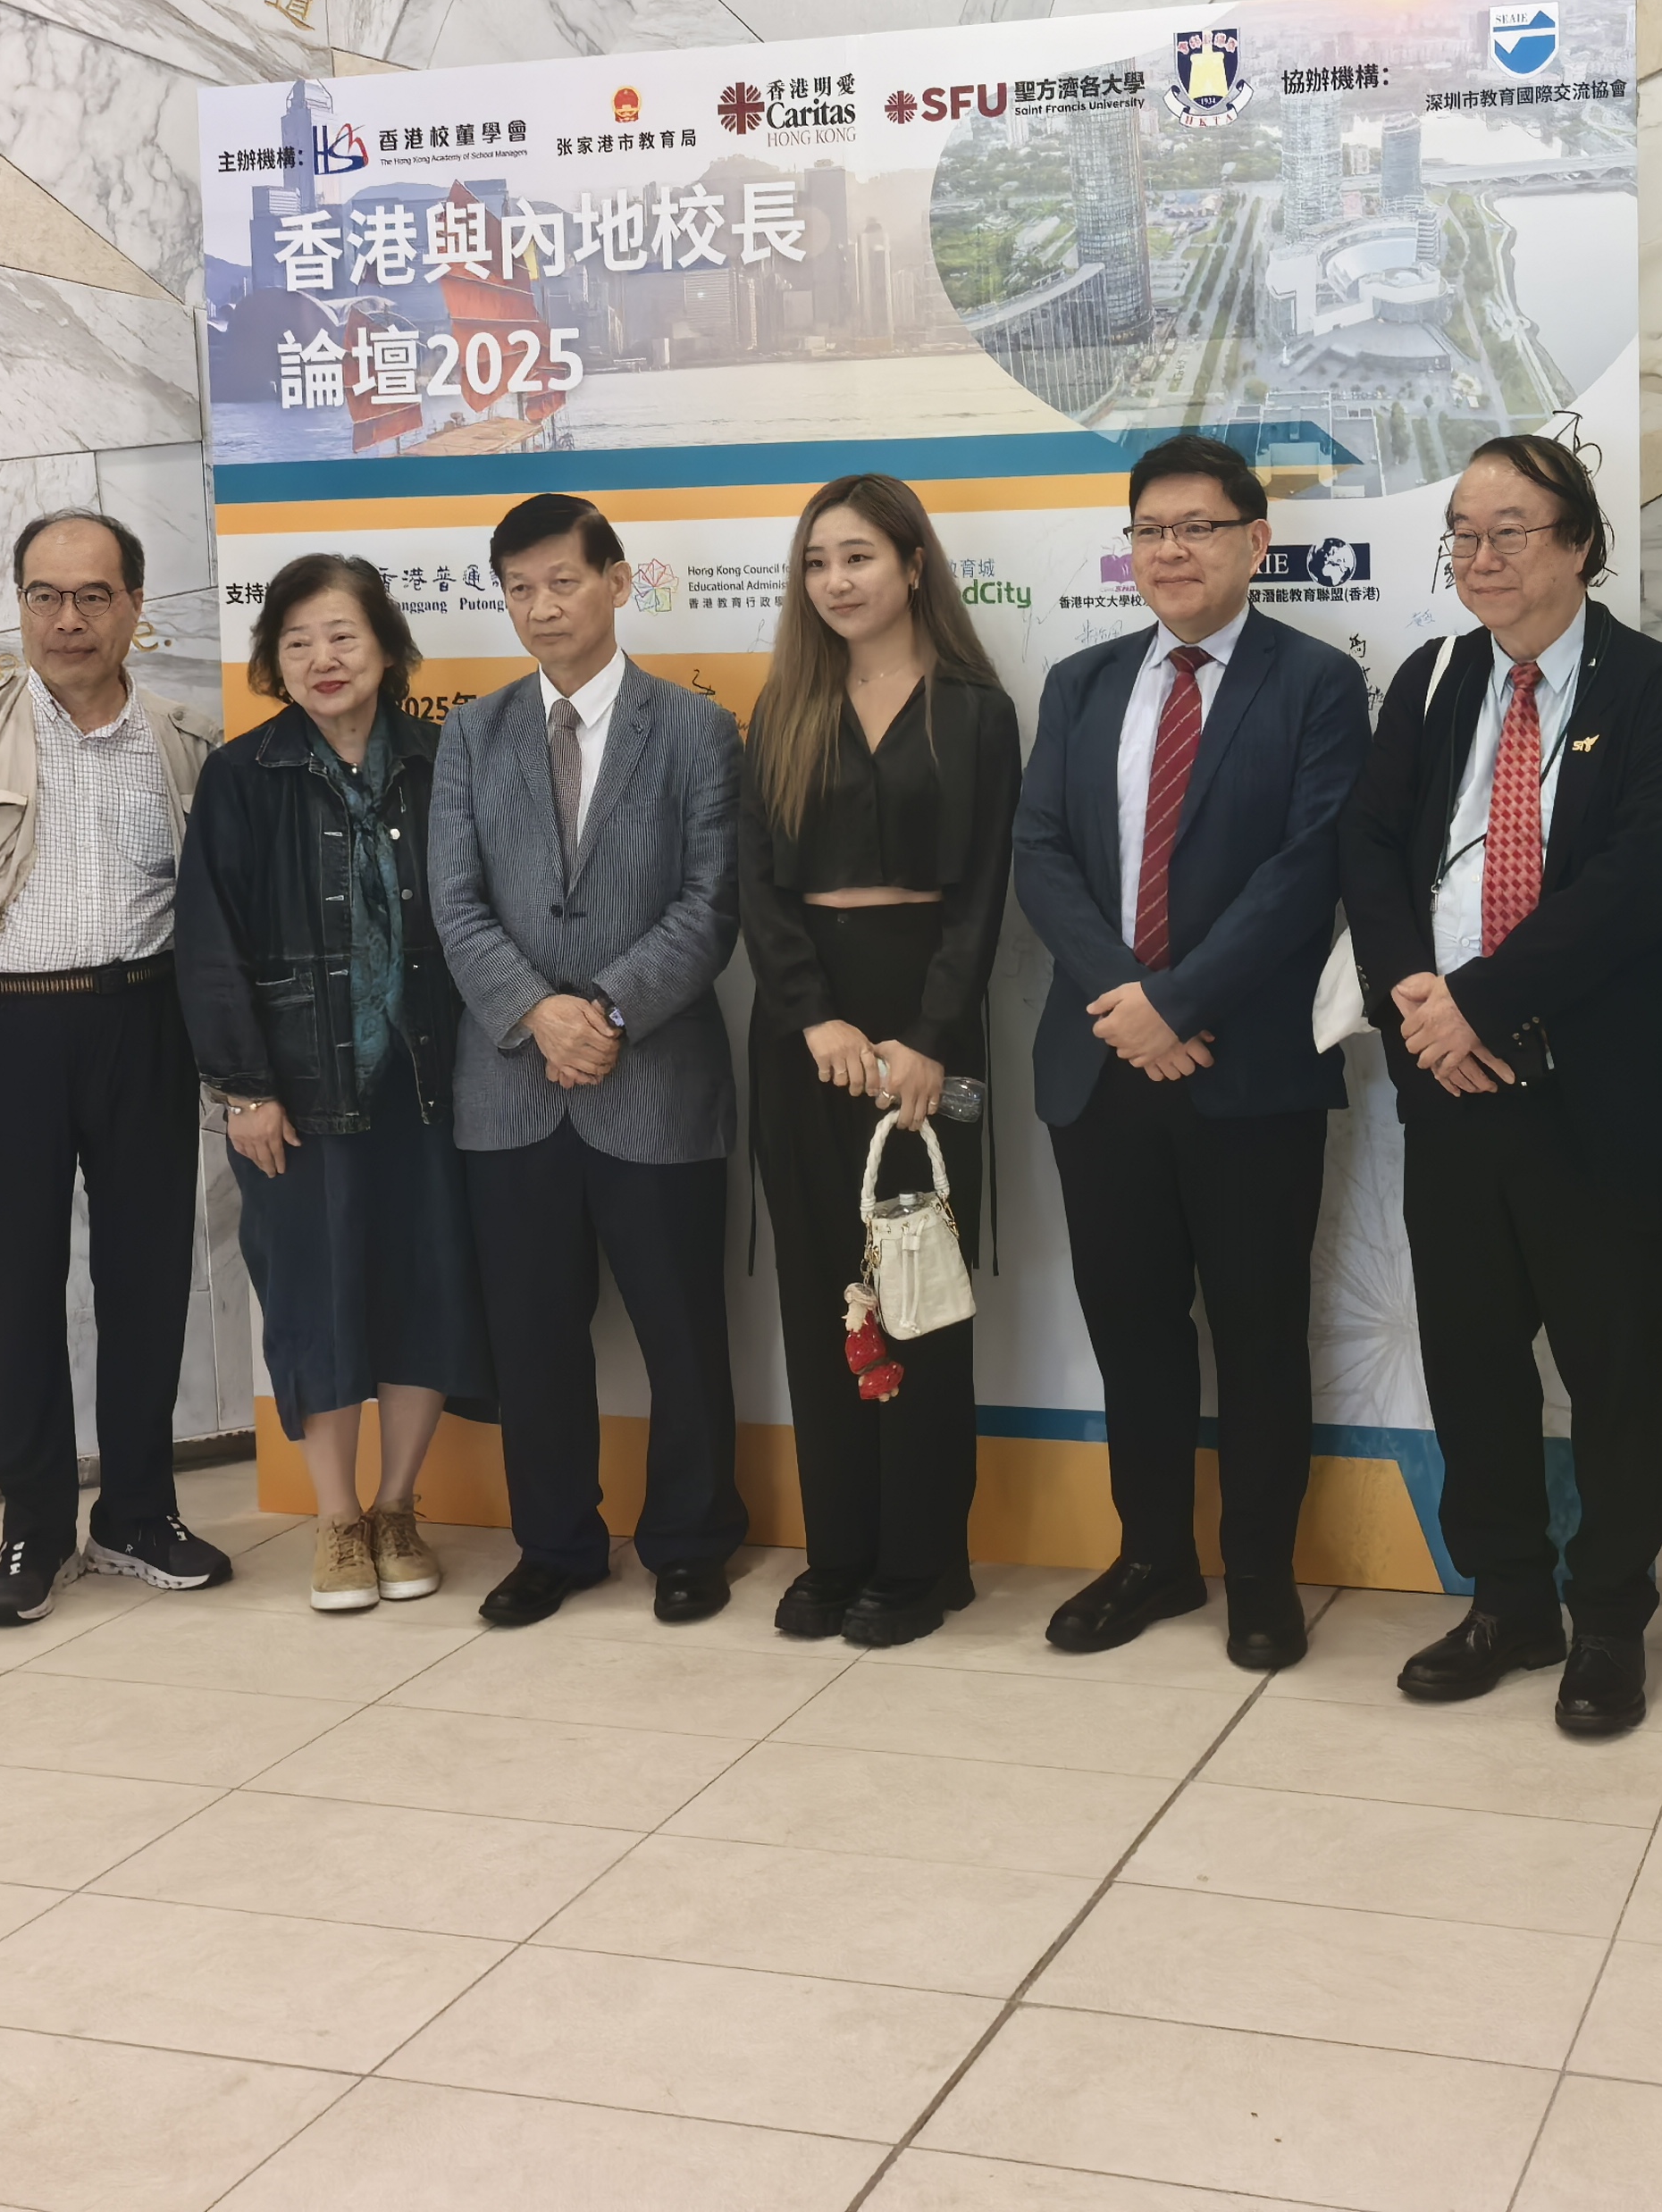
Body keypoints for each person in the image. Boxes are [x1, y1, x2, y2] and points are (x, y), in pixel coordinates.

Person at [1339, 434, 1662, 1735]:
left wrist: (1483, 1000)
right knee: (1471, 1357)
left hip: (1596, 1094)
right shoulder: (1436, 678)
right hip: (1449, 1084)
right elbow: (1368, 845)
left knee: (1612, 1370)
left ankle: (1609, 1614)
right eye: (1463, 533)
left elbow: (1637, 882)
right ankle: (1507, 1598)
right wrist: (1418, 1002)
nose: (1481, 557)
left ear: (1581, 542)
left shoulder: (1656, 689)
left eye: (1510, 531)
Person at [1012, 433, 1368, 1672]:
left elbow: (1307, 871)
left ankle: (1260, 1577)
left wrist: (1180, 1002)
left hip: (1249, 1069)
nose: (1171, 550)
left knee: (1261, 1335)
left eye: (1198, 528)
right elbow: (1040, 855)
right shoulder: (1080, 683)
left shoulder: (1315, 684)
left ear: (1255, 541)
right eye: (1150, 530)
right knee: (1134, 1330)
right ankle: (1153, 1558)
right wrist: (1129, 1003)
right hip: (1101, 1064)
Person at [0, 510, 228, 1627]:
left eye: (93, 596)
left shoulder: (184, 740)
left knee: (148, 1281)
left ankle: (139, 1512)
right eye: (45, 595)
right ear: (21, 603)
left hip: (146, 1027)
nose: (68, 619)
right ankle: (33, 1526)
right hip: (4, 1036)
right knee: (16, 1289)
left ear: (134, 607)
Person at [429, 493, 746, 1629]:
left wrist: (604, 1012)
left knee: (682, 1333)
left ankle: (691, 1539)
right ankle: (555, 1544)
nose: (541, 607)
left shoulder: (697, 730)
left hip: (653, 1080)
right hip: (510, 1087)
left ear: (617, 583)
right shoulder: (471, 734)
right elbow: (454, 902)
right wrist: (538, 1013)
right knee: (533, 1338)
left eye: (563, 581)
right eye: (519, 589)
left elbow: (712, 904)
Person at [178, 555, 494, 1613]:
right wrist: (244, 1088)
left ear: (388, 649)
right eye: (299, 640)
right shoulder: (243, 775)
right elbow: (209, 946)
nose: (323, 658)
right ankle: (338, 1521)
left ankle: (398, 1506)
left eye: (344, 635)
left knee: (426, 1290)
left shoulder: (445, 761)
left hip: (430, 1081)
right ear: (274, 659)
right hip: (295, 1098)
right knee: (314, 1302)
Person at [741, 476, 1020, 1648]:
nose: (835, 582)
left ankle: (921, 1561)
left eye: (857, 557)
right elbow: (757, 886)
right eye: (816, 563)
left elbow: (984, 895)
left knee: (920, 1296)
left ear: (912, 565)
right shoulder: (784, 706)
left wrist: (930, 1039)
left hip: (923, 1021)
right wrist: (814, 1019)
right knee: (822, 1295)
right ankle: (839, 1551)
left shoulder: (976, 711)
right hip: (804, 1030)